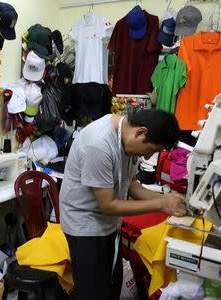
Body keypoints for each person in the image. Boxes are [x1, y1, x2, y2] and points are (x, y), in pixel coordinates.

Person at [60, 109, 187, 300]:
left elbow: (132, 185)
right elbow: (108, 205)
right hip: (84, 226)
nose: (146, 157)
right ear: (140, 132)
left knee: (111, 285)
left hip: (109, 224)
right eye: (150, 150)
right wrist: (161, 205)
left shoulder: (127, 139)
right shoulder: (98, 145)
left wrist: (166, 198)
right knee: (92, 292)